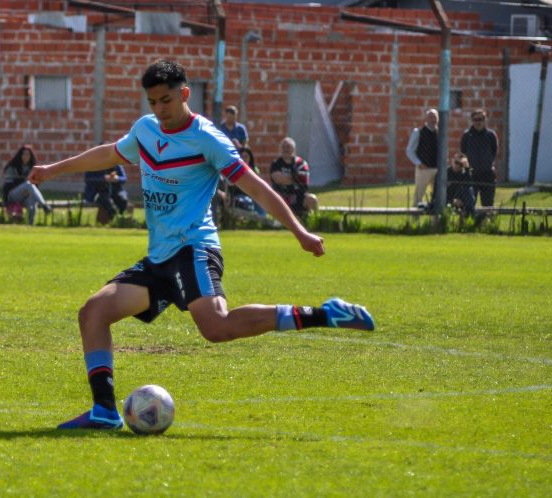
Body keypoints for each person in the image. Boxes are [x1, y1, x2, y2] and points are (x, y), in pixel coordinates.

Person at [28, 59, 374, 430]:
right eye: (153, 102)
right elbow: (109, 153)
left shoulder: (208, 138)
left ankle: (326, 313)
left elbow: (255, 186)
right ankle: (104, 411)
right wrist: (51, 170)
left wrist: (299, 231)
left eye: (166, 101)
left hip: (194, 248)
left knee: (216, 327)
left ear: (184, 94)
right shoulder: (145, 130)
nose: (160, 110)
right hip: (160, 257)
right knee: (93, 311)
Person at [2, 144, 51, 225]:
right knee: (28, 184)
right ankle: (44, 205)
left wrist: (27, 190)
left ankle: (31, 225)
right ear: (20, 155)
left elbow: (36, 185)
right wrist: (23, 186)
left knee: (32, 203)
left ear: (30, 156)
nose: (25, 156)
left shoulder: (33, 168)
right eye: (24, 154)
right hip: (12, 195)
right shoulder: (13, 166)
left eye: (28, 154)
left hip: (26, 195)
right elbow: (8, 185)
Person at [270, 137, 318, 216]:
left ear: (294, 149)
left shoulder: (301, 163)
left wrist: (287, 178)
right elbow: (278, 179)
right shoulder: (276, 163)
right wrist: (294, 177)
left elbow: (303, 179)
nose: (285, 149)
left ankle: (312, 220)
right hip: (281, 196)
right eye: (283, 147)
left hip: (299, 196)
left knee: (312, 199)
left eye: (288, 147)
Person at [461, 109, 498, 207]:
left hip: (487, 174)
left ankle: (487, 222)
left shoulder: (491, 135)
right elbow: (463, 153)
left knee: (488, 204)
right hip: (471, 174)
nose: (478, 122)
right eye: (475, 119)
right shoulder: (467, 135)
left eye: (481, 119)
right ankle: (470, 222)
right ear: (472, 120)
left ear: (485, 120)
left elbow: (494, 152)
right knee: (469, 203)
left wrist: (488, 164)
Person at [406, 108, 438, 208]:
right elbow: (409, 150)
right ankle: (415, 222)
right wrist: (418, 163)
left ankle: (436, 222)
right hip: (423, 169)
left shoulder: (440, 133)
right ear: (426, 119)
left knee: (438, 197)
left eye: (435, 117)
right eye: (430, 117)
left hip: (437, 169)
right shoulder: (418, 132)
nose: (433, 119)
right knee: (418, 196)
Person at [447, 152, 476, 218]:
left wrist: (467, 168)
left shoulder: (464, 173)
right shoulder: (446, 173)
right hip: (448, 200)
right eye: (456, 162)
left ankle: (471, 219)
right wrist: (452, 201)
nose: (457, 166)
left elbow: (470, 185)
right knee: (469, 200)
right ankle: (473, 219)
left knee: (469, 189)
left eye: (461, 164)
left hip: (462, 201)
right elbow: (439, 193)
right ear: (452, 160)